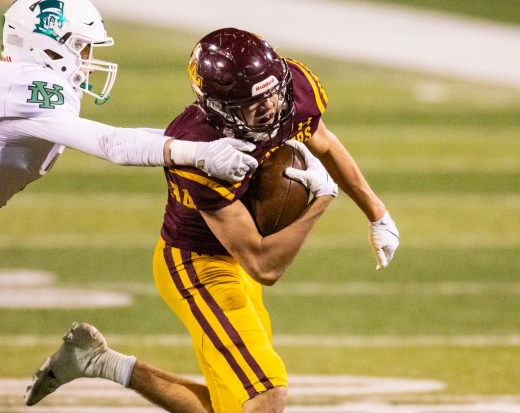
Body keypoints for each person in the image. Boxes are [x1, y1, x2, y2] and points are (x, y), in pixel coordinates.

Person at [25, 28, 400, 412]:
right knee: (266, 394)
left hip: (235, 257)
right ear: (218, 107)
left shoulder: (292, 91)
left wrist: (377, 213)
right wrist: (322, 199)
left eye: (272, 92)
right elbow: (263, 265)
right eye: (253, 102)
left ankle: (96, 360)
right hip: (197, 264)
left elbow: (322, 141)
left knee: (237, 404)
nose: (271, 106)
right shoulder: (199, 149)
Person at [0, 3, 259, 412]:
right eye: (82, 47)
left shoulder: (17, 80)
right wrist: (199, 154)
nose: (88, 60)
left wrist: (216, 148)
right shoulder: (23, 84)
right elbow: (111, 144)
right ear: (46, 46)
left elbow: (116, 135)